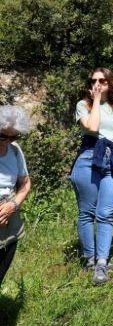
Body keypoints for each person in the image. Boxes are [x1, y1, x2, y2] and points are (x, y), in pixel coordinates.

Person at [71, 67, 113, 284]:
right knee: (87, 212)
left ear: (110, 83)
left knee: (106, 212)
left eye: (102, 81)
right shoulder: (83, 105)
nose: (97, 84)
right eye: (94, 80)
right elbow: (93, 127)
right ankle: (89, 258)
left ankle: (102, 262)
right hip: (88, 159)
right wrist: (95, 100)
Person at [0, 106, 31, 287]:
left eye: (14, 136)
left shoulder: (15, 150)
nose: (8, 141)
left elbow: (25, 183)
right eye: (3, 136)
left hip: (10, 215)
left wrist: (13, 205)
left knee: (3, 265)